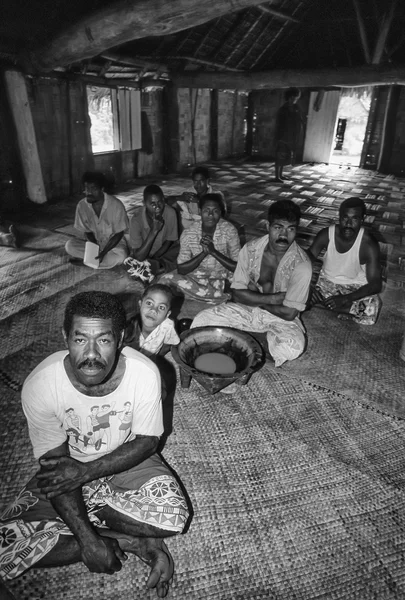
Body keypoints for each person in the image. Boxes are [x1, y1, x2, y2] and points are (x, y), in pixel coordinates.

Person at [0, 292, 189, 598]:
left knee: (173, 517)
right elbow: (55, 466)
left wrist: (86, 473)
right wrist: (90, 542)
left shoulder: (144, 374)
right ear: (65, 336)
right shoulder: (41, 385)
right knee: (5, 547)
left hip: (125, 459)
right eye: (79, 339)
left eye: (103, 340)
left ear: (122, 337)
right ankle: (132, 540)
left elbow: (146, 444)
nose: (91, 355)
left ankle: (96, 515)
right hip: (67, 466)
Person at [191, 200, 312, 367]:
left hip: (279, 319)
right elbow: (237, 294)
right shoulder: (250, 249)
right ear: (268, 226)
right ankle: (256, 344)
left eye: (290, 229)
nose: (284, 235)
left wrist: (255, 297)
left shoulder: (302, 265)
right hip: (247, 309)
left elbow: (289, 314)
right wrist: (273, 298)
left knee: (293, 347)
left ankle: (244, 340)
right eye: (278, 228)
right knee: (201, 320)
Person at [307, 197, 382, 325]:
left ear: (362, 220)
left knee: (371, 311)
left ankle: (333, 305)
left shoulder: (368, 244)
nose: (348, 223)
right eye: (345, 218)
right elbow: (307, 258)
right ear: (339, 217)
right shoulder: (327, 234)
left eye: (355, 219)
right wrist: (306, 287)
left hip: (354, 288)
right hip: (326, 285)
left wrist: (346, 298)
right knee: (296, 296)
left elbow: (376, 284)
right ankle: (336, 306)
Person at [159, 193, 240, 304]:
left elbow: (237, 267)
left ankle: (202, 294)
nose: (210, 215)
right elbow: (182, 269)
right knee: (165, 280)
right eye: (206, 210)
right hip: (197, 277)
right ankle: (220, 295)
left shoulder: (229, 230)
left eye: (215, 211)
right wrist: (204, 253)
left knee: (244, 282)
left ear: (220, 212)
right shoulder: (189, 232)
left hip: (223, 276)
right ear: (200, 211)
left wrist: (213, 252)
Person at [65, 171, 129, 268]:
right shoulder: (82, 206)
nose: (89, 192)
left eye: (93, 189)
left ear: (102, 189)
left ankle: (88, 262)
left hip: (113, 245)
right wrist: (94, 247)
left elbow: (119, 234)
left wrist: (103, 252)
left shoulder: (116, 205)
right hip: (95, 243)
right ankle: (96, 262)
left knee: (121, 257)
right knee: (69, 245)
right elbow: (87, 231)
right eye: (86, 188)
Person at [127, 185, 179, 280]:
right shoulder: (136, 219)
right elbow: (138, 256)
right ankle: (157, 268)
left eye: (160, 202)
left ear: (164, 200)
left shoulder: (170, 213)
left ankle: (154, 268)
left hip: (164, 252)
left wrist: (155, 257)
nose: (157, 207)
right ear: (144, 203)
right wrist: (154, 231)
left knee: (182, 253)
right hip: (144, 253)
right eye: (152, 203)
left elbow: (169, 241)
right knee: (133, 261)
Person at [125, 283, 180, 358]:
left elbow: (167, 345)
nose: (153, 310)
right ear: (140, 304)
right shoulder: (128, 323)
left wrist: (157, 358)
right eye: (149, 303)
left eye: (161, 307)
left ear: (167, 314)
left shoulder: (168, 326)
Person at [167, 166, 224, 232]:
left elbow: (221, 215)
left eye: (201, 181)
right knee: (174, 208)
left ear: (207, 181)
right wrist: (180, 197)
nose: (198, 185)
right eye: (195, 181)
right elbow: (167, 201)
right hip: (191, 228)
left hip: (211, 227)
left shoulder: (216, 194)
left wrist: (199, 201)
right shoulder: (190, 192)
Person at [274, 88, 304, 182]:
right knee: (280, 157)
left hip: (291, 137)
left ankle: (281, 175)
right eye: (295, 97)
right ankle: (277, 176)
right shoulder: (283, 109)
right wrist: (278, 138)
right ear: (290, 97)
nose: (296, 99)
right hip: (282, 137)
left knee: (285, 157)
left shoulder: (296, 108)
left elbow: (299, 120)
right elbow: (279, 124)